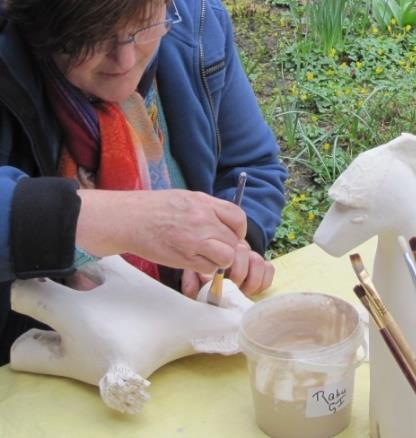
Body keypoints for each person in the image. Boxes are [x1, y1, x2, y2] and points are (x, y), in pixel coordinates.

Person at [0, 0, 287, 364]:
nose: (124, 60)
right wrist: (109, 220)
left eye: (142, 26)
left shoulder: (197, 25)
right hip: (39, 359)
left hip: (179, 346)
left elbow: (251, 165)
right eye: (87, 38)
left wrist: (232, 242)